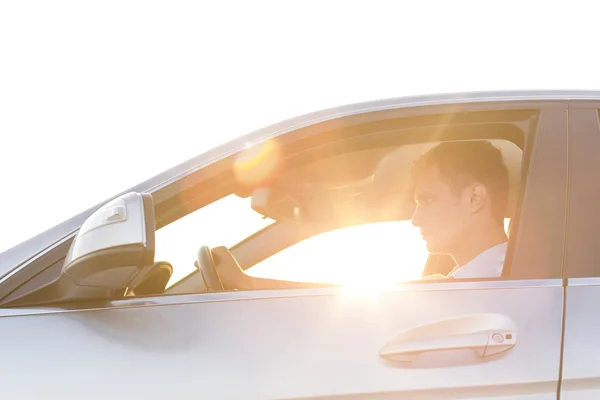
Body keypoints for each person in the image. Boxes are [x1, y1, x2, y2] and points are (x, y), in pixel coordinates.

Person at [410, 140, 510, 279]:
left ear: (474, 198)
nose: (415, 220)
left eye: (429, 200)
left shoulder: (510, 285)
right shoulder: (509, 279)